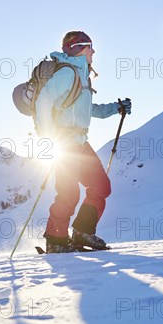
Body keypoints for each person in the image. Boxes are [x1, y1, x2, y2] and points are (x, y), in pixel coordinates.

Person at [35, 30, 131, 253]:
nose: (94, 52)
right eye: (91, 47)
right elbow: (43, 101)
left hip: (79, 142)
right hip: (64, 143)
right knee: (69, 194)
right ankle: (56, 241)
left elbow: (89, 110)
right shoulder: (68, 74)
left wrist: (115, 109)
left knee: (101, 186)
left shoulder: (82, 75)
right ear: (80, 48)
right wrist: (47, 136)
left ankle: (82, 232)